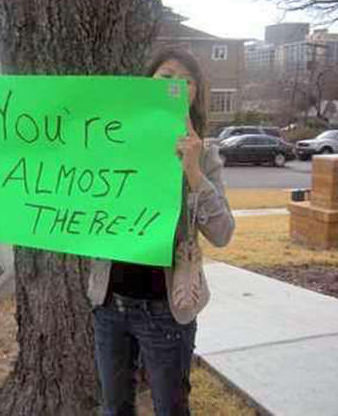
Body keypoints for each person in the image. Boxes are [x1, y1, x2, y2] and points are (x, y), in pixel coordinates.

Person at [89, 48, 235, 416]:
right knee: (114, 406)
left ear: (196, 92)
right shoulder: (113, 143)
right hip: (109, 303)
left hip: (167, 309)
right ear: (147, 83)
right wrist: (0, 156)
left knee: (170, 407)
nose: (176, 85)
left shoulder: (205, 154)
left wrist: (193, 173)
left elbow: (222, 233)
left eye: (187, 80)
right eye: (166, 76)